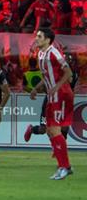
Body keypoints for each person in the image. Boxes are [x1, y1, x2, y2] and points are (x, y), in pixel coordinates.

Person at [28, 29, 74, 180]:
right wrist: (37, 88)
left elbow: (68, 73)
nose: (37, 38)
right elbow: (47, 76)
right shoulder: (41, 53)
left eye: (40, 36)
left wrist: (57, 87)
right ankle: (64, 166)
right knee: (49, 130)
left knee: (55, 130)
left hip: (60, 95)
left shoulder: (54, 52)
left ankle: (65, 167)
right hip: (52, 95)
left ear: (48, 40)